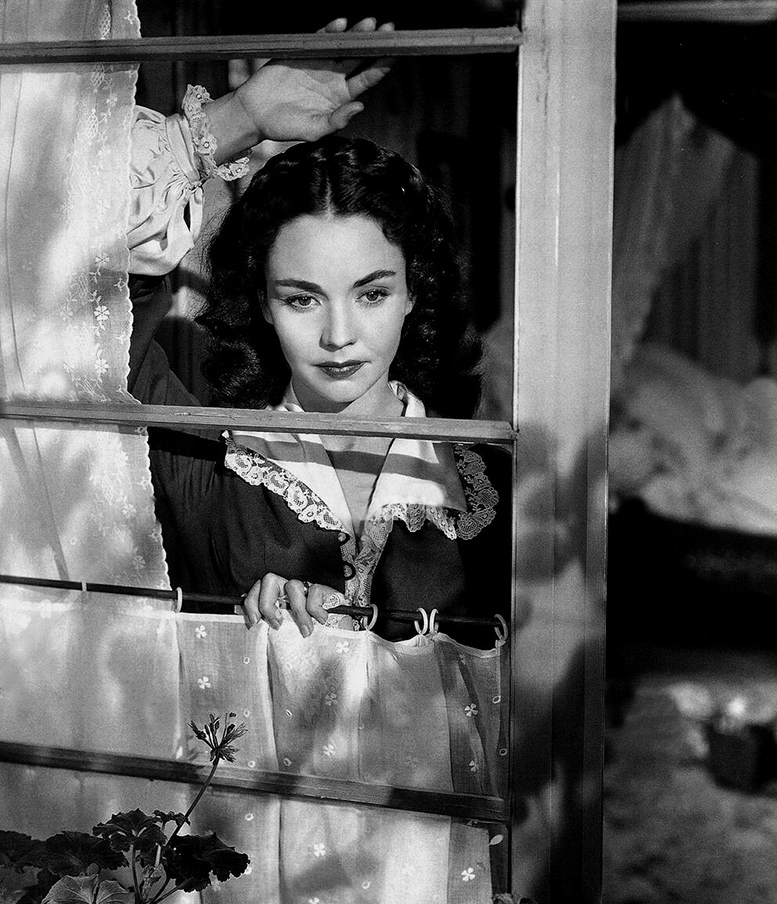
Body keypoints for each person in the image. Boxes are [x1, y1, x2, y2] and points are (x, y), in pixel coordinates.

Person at [128, 23, 510, 646]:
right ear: (262, 300)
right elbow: (64, 273)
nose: (338, 336)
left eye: (372, 294)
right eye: (302, 298)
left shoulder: (496, 487)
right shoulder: (201, 462)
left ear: (414, 292)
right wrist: (237, 117)